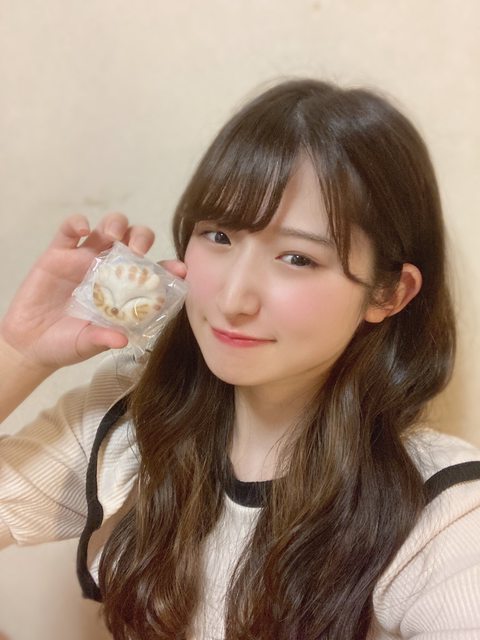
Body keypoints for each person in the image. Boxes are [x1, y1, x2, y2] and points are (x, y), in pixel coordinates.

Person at [1, 78, 480, 640]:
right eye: (219, 236)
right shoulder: (130, 423)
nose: (232, 299)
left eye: (297, 258)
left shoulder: (441, 512)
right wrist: (19, 352)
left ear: (388, 294)